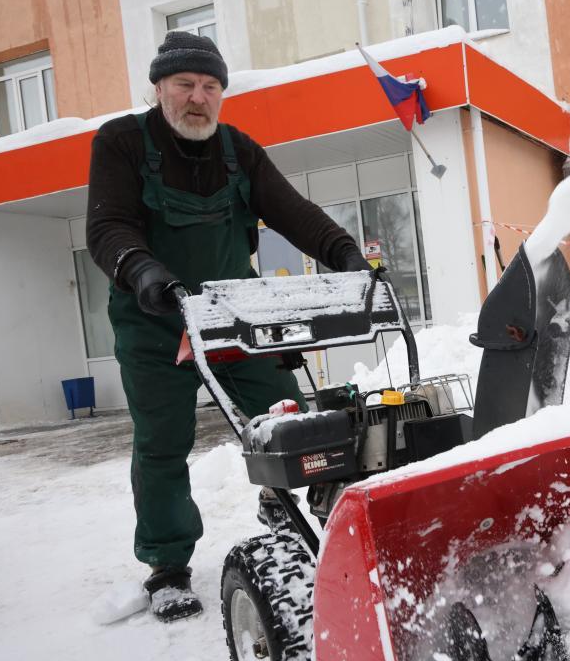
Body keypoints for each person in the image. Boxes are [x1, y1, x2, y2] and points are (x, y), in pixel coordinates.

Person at [87, 31, 372, 622]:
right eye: (186, 85)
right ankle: (167, 566)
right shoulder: (121, 143)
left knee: (290, 416)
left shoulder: (238, 151)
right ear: (159, 88)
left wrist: (344, 253)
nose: (199, 98)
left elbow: (292, 210)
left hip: (233, 316)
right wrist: (140, 269)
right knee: (162, 443)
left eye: (211, 86)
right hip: (154, 320)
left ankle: (288, 504)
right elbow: (108, 225)